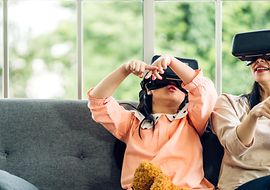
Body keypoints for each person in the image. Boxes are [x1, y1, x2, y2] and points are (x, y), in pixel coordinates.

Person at [87, 55, 217, 190]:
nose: (172, 84)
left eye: (179, 83)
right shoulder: (132, 124)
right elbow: (98, 102)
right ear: (148, 89)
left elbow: (205, 92)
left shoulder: (193, 121)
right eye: (163, 80)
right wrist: (125, 69)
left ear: (187, 94)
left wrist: (171, 61)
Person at [211, 31, 270, 190]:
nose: (259, 61)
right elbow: (234, 147)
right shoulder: (229, 103)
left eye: (267, 55)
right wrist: (253, 115)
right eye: (254, 57)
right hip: (240, 185)